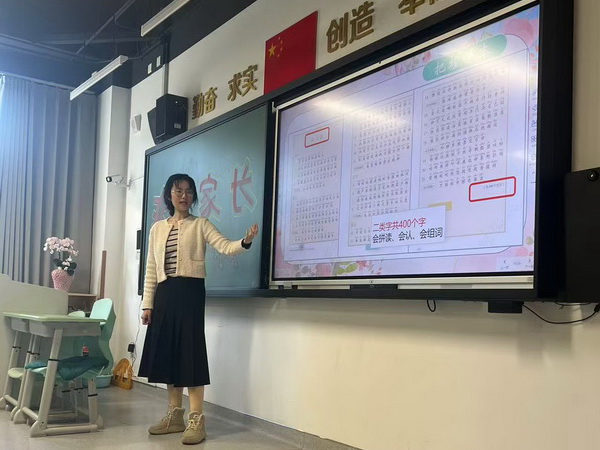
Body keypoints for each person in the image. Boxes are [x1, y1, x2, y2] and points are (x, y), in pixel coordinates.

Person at [138, 173, 258, 445]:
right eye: (178, 190)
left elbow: (225, 246)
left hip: (190, 293)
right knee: (169, 354)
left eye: (189, 191)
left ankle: (196, 419)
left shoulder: (201, 224)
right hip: (164, 295)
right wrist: (148, 304)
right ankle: (174, 416)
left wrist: (245, 241)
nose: (184, 196)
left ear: (193, 196)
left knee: (189, 354)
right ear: (169, 194)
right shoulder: (157, 229)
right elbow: (151, 268)